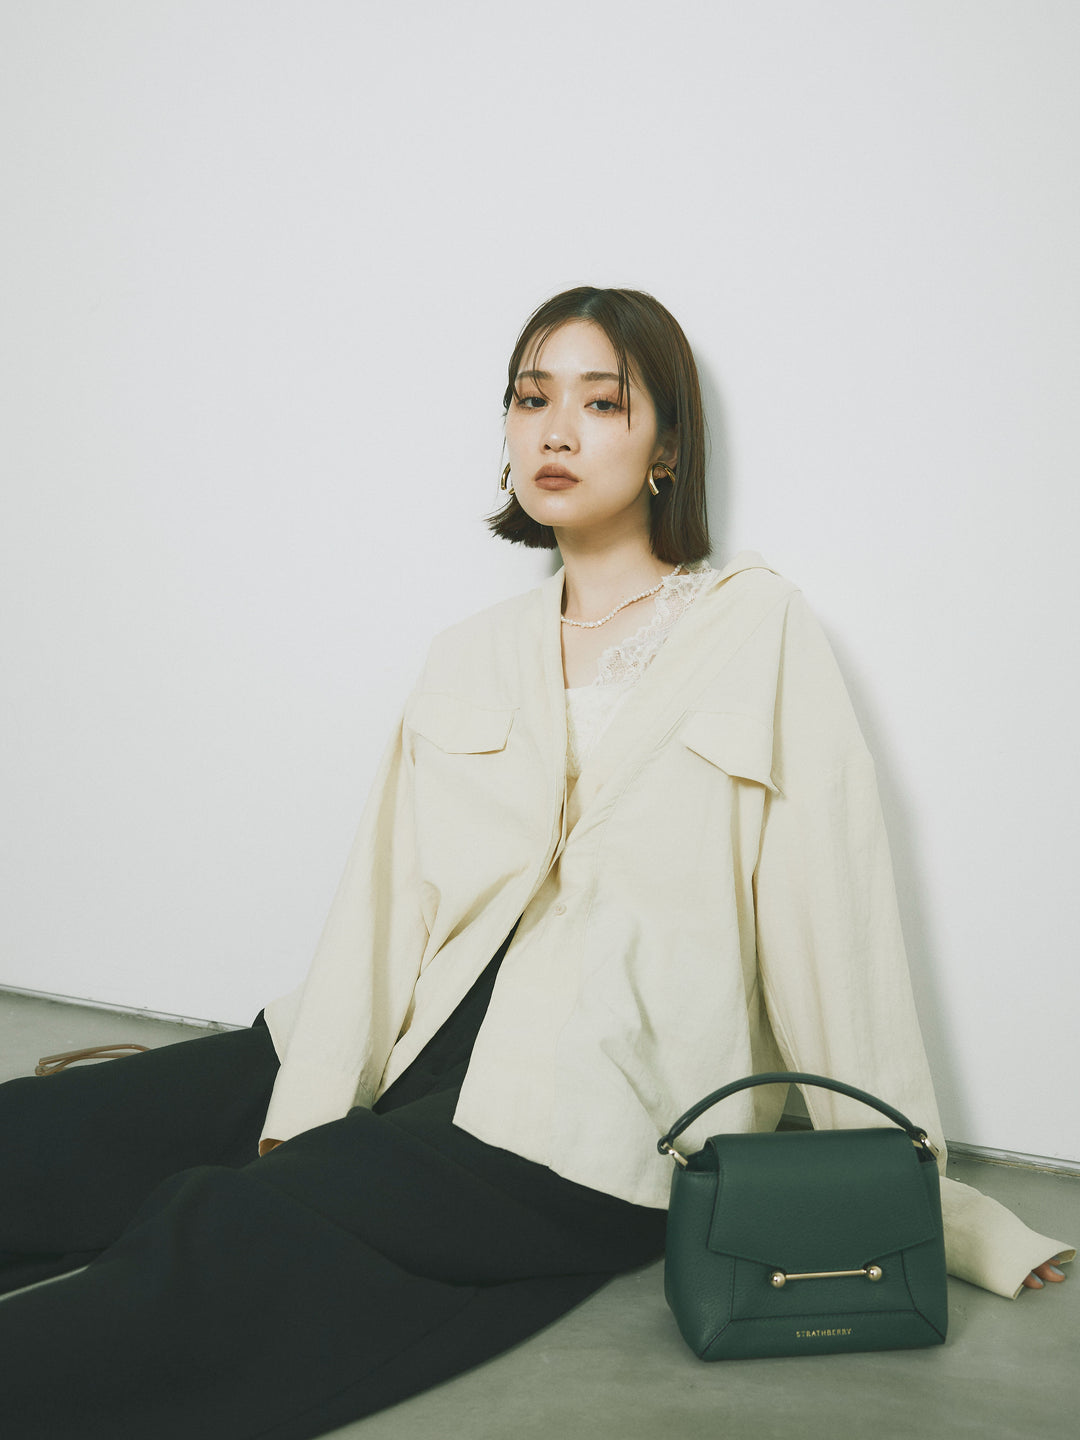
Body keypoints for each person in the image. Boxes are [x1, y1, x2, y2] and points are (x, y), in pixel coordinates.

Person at [0, 287, 1071, 1438]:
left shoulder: (756, 630)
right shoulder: (470, 654)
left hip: (586, 1095)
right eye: (530, 398)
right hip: (408, 1030)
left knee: (240, 1229)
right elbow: (383, 897)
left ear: (667, 448)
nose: (556, 429)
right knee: (56, 1134)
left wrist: (921, 1203)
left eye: (601, 403)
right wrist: (304, 1094)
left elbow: (830, 912)